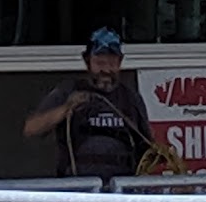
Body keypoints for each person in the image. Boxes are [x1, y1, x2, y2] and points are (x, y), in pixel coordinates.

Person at [22, 25, 156, 180]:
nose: (106, 70)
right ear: (87, 62)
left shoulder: (130, 98)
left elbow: (148, 147)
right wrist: (66, 108)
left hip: (121, 184)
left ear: (120, 63)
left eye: (112, 63)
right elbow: (31, 128)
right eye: (100, 63)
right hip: (79, 184)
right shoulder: (69, 90)